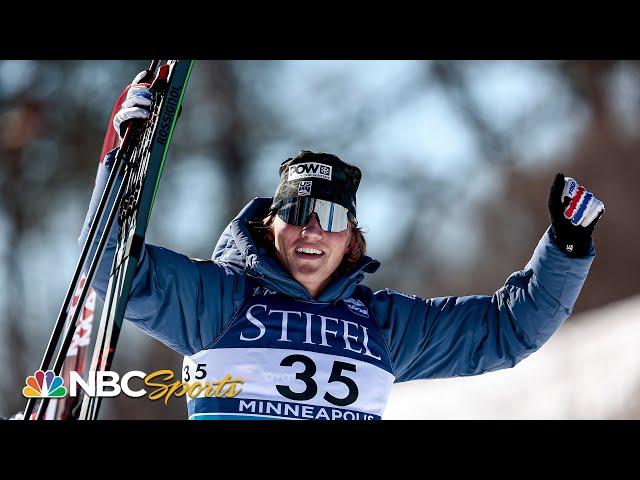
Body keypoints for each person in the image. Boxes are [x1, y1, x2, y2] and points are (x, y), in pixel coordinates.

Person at [81, 73, 605, 420]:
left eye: (330, 217)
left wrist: (566, 244)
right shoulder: (218, 301)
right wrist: (118, 164)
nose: (311, 230)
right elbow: (107, 266)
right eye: (295, 213)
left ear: (352, 237)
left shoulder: (381, 327)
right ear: (271, 225)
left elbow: (507, 331)